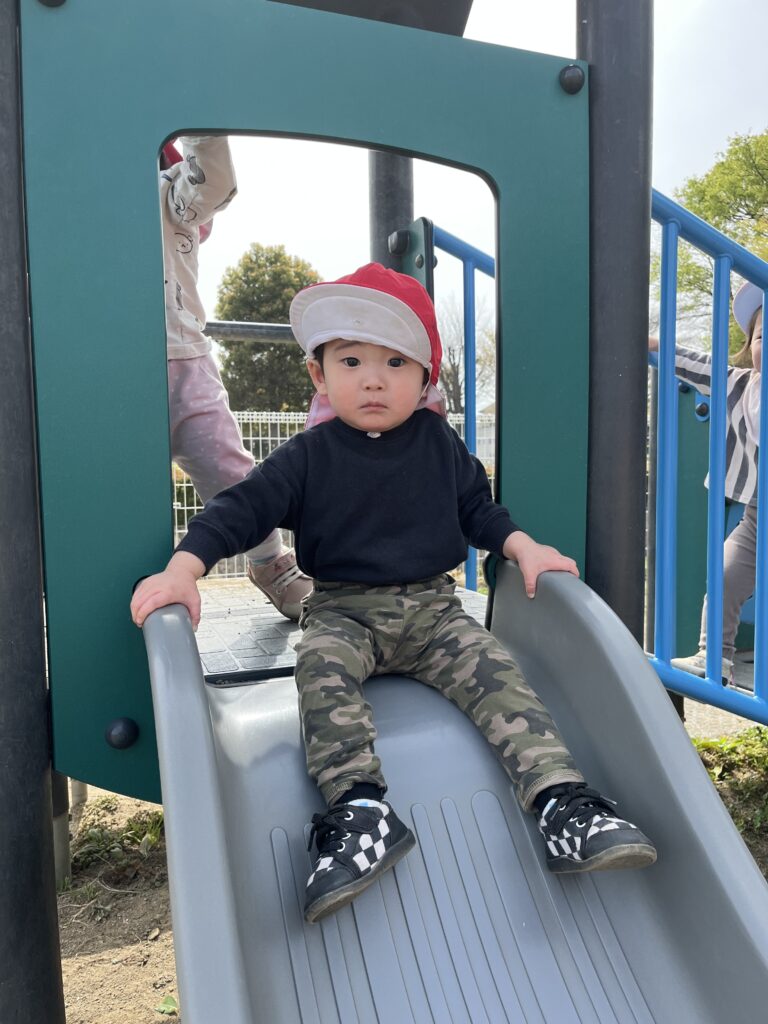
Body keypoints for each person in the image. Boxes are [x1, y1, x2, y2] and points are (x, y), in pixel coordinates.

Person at [132, 262, 656, 923]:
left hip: (435, 610)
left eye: (396, 362)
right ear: (319, 375)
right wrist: (185, 567)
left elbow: (478, 509)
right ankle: (359, 811)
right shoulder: (309, 456)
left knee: (495, 670)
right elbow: (241, 507)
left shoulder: (438, 443)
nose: (373, 378)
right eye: (351, 361)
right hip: (344, 610)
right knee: (319, 667)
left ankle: (562, 801)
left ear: (425, 379)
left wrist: (522, 547)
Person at [160, 134, 311, 620]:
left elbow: (212, 182)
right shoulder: (58, 195)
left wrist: (203, 129)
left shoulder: (167, 192)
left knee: (231, 470)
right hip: (91, 367)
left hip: (180, 357)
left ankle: (270, 563)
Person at [650, 282, 763, 685]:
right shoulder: (738, 383)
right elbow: (691, 362)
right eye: (761, 337)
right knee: (725, 574)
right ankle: (716, 659)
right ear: (749, 346)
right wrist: (650, 343)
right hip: (760, 515)